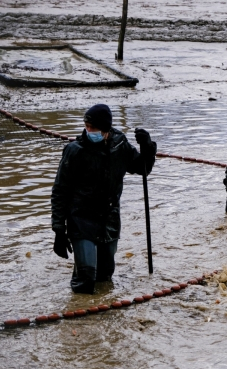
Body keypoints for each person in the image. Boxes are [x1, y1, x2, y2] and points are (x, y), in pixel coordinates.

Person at [51, 104, 157, 294]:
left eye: (93, 128)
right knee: (86, 279)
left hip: (109, 218)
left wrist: (147, 147)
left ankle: (101, 318)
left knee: (105, 276)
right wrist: (59, 229)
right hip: (81, 218)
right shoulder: (75, 151)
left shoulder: (120, 146)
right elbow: (60, 191)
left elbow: (143, 169)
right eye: (86, 126)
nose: (88, 131)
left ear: (106, 130)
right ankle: (79, 316)